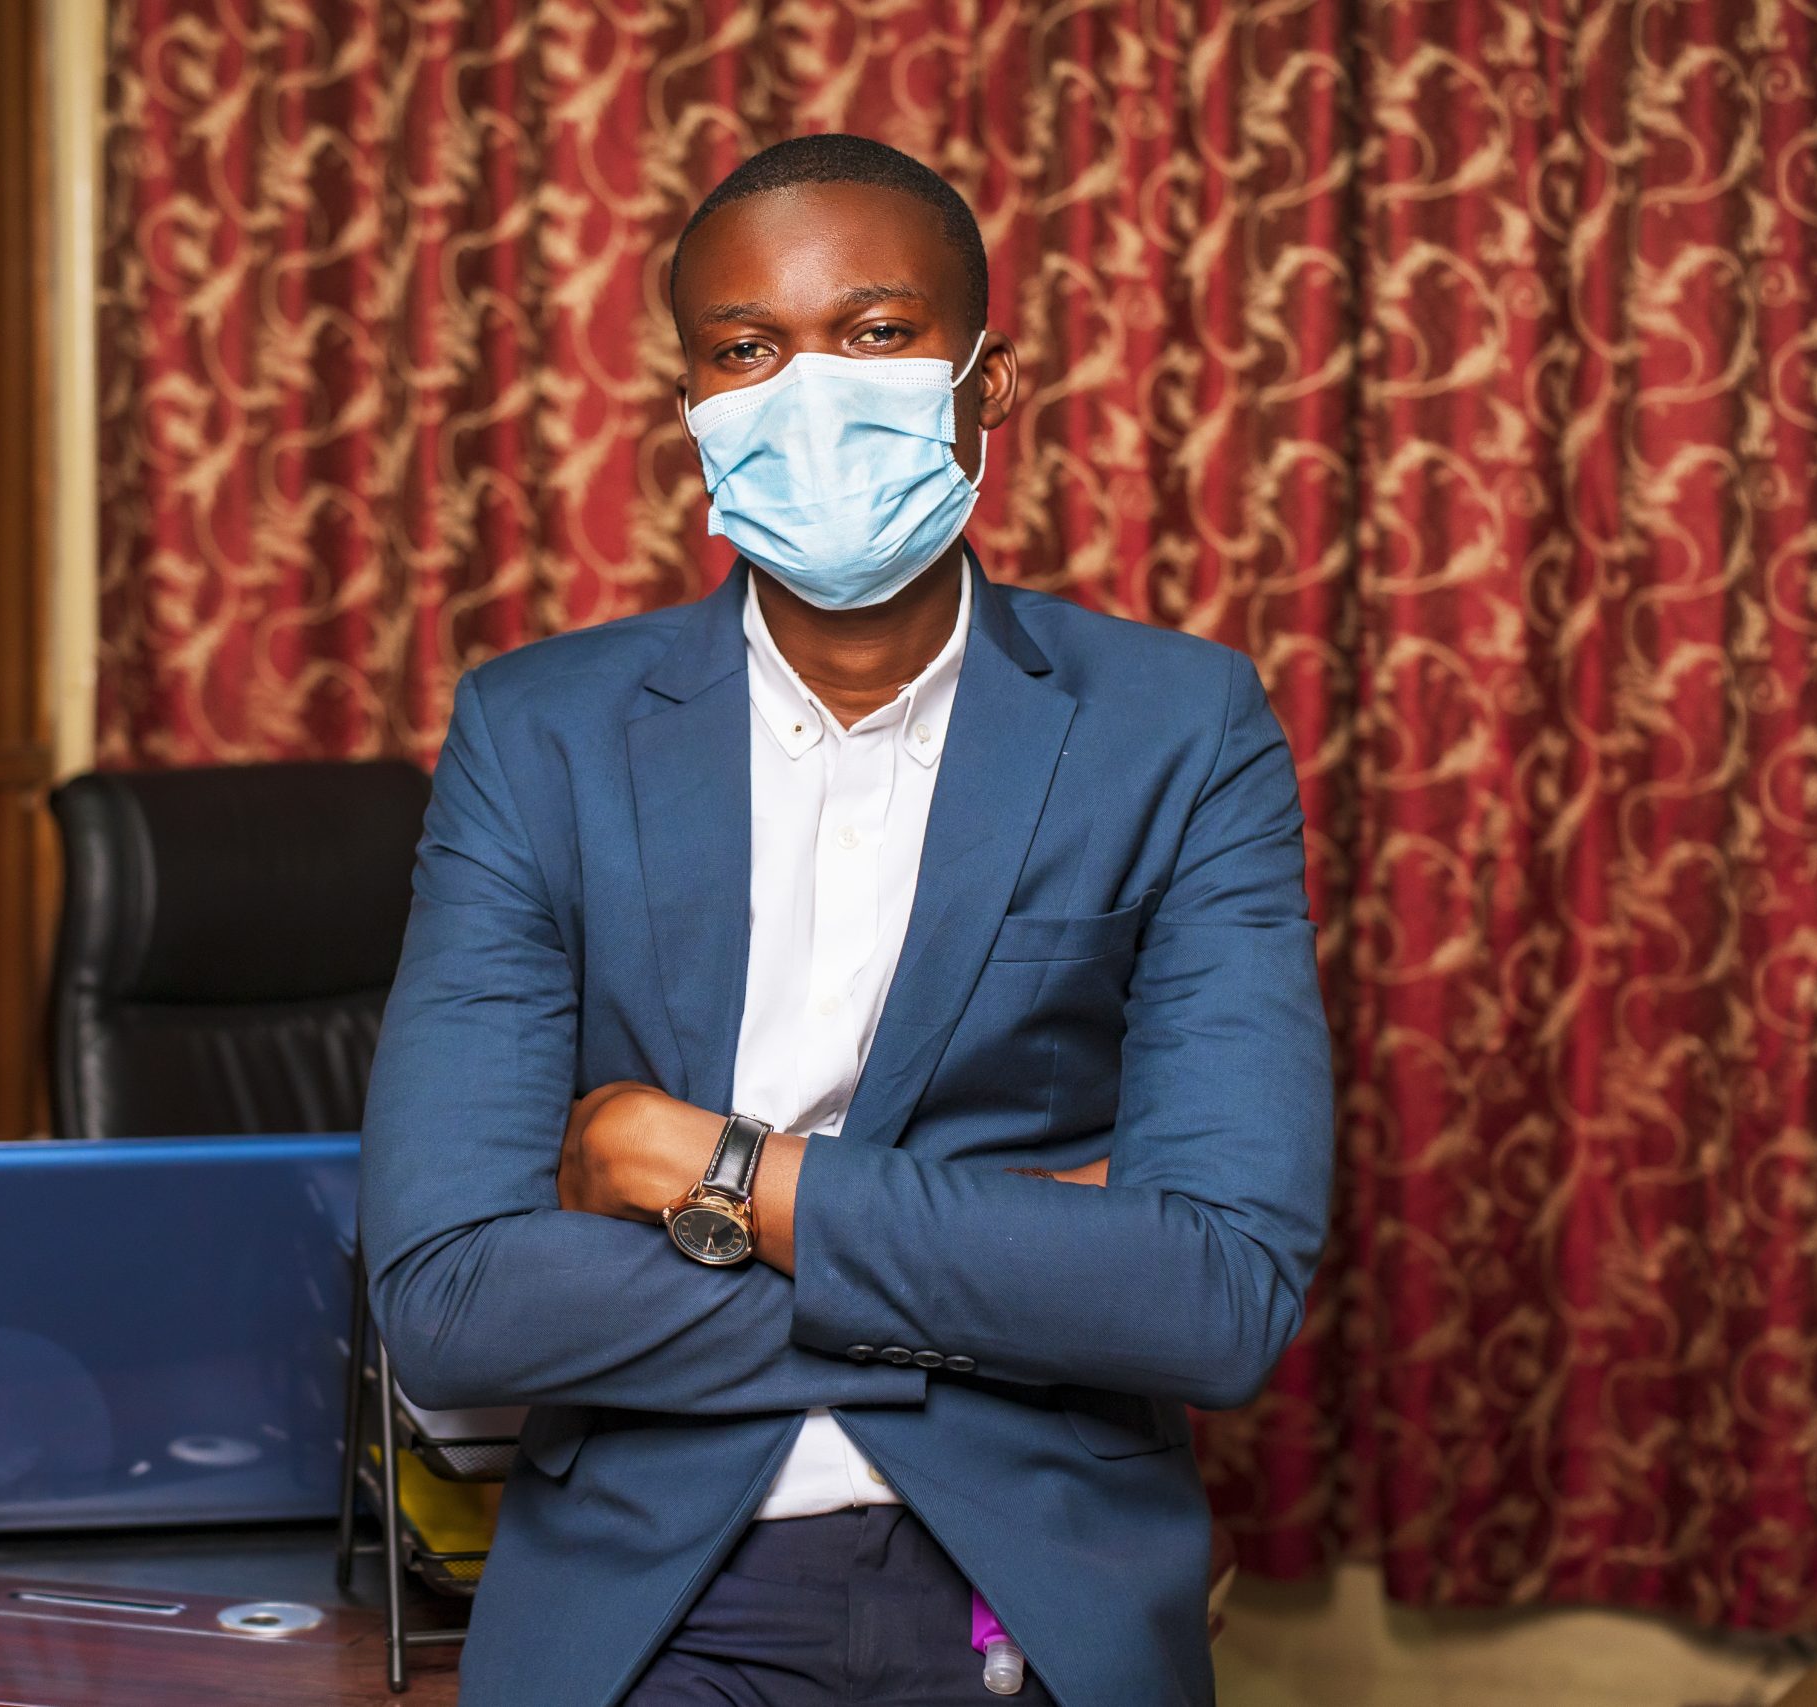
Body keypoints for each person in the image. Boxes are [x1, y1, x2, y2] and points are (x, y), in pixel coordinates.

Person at [358, 132, 1333, 1707]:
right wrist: (1028, 1244)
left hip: (1032, 1586)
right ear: (693, 410)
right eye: (745, 351)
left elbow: (1215, 1300)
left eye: (876, 334)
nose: (807, 390)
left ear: (986, 382)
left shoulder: (1180, 728)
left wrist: (715, 1170)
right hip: (649, 1601)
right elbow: (457, 1305)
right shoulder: (536, 736)